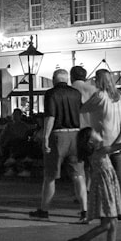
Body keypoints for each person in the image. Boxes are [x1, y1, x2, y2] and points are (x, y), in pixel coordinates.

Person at [67, 116, 121, 241]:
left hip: (106, 187)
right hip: (105, 188)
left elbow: (117, 143)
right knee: (107, 224)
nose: (98, 133)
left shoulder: (97, 152)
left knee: (112, 222)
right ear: (90, 141)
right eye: (95, 133)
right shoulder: (100, 151)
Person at [30, 69, 88, 223]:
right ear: (67, 79)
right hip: (76, 134)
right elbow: (81, 114)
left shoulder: (51, 94)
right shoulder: (76, 94)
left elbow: (50, 116)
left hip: (58, 135)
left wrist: (46, 137)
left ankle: (44, 209)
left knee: (50, 176)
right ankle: (84, 210)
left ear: (54, 79)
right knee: (78, 175)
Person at [82, 69, 121, 220]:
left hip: (104, 140)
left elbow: (83, 109)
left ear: (99, 80)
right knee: (120, 175)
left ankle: (104, 209)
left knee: (100, 176)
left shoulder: (99, 96)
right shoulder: (120, 96)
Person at [0, 109, 35, 177]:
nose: (15, 116)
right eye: (14, 115)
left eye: (17, 115)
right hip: (9, 146)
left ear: (20, 116)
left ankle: (13, 162)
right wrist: (1, 146)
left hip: (20, 146)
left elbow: (26, 138)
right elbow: (2, 138)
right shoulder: (9, 126)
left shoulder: (24, 127)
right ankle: (13, 165)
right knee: (15, 143)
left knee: (19, 144)